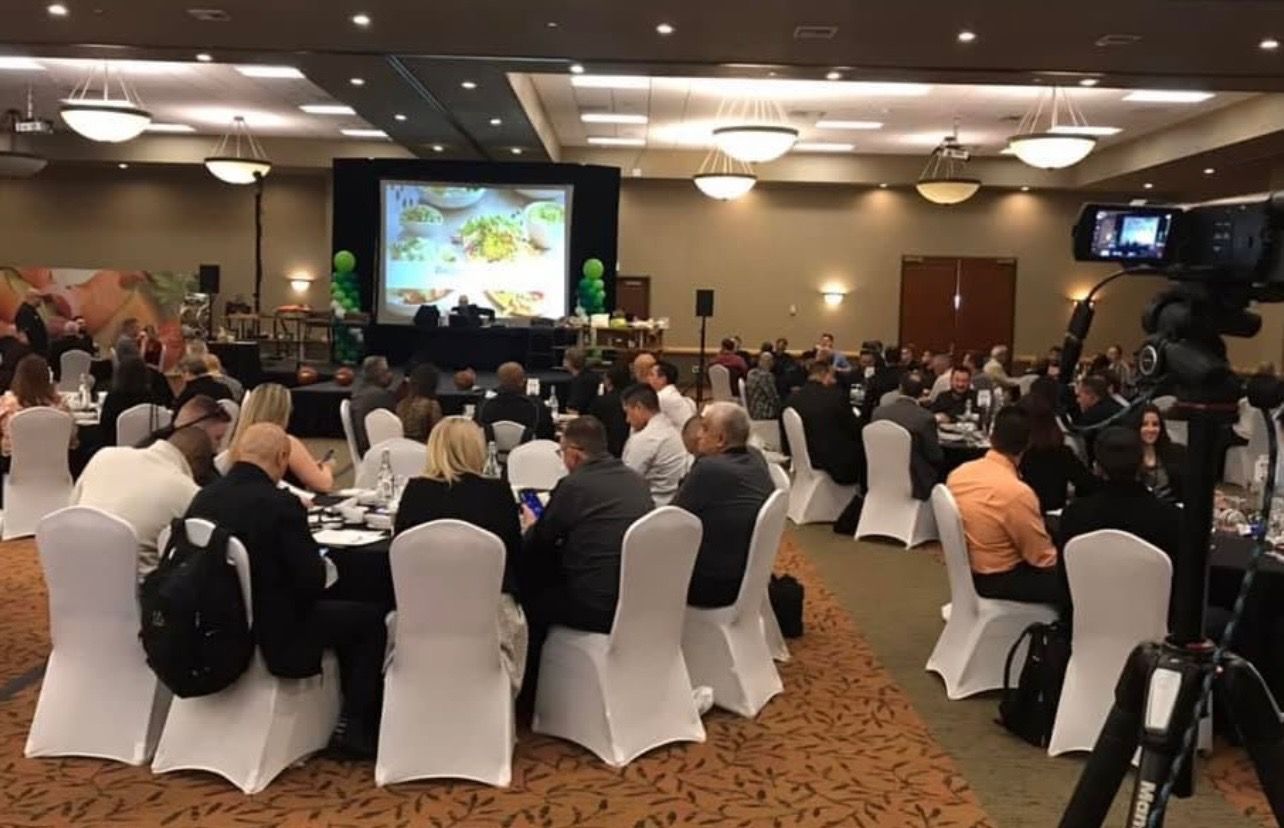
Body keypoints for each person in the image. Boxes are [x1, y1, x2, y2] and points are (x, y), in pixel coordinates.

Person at [185, 423, 387, 756]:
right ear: (282, 457)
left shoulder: (205, 497)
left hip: (210, 622)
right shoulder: (279, 504)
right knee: (369, 619)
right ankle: (354, 725)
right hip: (275, 629)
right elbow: (309, 581)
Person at [518, 416, 653, 708]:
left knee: (525, 594)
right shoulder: (637, 481)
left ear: (575, 455)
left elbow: (538, 545)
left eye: (562, 452)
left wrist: (530, 525)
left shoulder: (574, 486)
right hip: (638, 600)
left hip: (594, 605)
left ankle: (530, 698)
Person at [394, 417, 527, 693]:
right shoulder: (498, 493)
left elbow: (400, 549)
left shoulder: (415, 492)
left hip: (423, 610)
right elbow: (513, 555)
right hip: (489, 612)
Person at [1056, 426, 1183, 621]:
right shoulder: (1171, 519)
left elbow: (1065, 583)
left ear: (1097, 467)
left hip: (1084, 630)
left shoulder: (1074, 516)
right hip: (1156, 635)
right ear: (1142, 463)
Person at [946, 406, 1063, 608]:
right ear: (1028, 445)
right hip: (999, 578)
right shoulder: (1016, 492)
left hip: (968, 569)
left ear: (992, 437)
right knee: (1078, 579)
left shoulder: (959, 474)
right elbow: (1042, 559)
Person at [72, 425, 212, 577]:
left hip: (72, 570)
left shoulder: (104, 455)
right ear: (198, 464)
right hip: (136, 590)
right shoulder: (189, 492)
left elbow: (70, 511)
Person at [675, 402, 774, 607]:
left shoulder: (710, 470)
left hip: (717, 583)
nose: (698, 435)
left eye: (704, 428)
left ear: (720, 439)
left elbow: (672, 517)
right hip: (752, 574)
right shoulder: (756, 457)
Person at [228, 382, 334, 492]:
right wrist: (327, 467)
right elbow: (323, 484)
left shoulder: (237, 442)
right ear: (284, 411)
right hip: (284, 504)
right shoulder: (285, 443)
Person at [784, 356, 864, 486]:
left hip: (803, 460)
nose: (833, 381)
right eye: (832, 377)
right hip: (835, 465)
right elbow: (855, 429)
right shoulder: (836, 397)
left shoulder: (791, 399)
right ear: (824, 374)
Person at [1017, 392, 1097, 512]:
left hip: (1020, 514)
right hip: (1054, 517)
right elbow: (1088, 485)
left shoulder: (1016, 455)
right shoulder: (1063, 453)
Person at [871, 373, 943, 500]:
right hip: (915, 481)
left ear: (900, 388)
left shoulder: (878, 413)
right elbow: (935, 456)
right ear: (922, 393)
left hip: (879, 476)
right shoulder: (925, 418)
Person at [621, 384, 688, 506]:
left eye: (627, 412)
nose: (627, 420)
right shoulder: (670, 429)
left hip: (652, 507)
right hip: (673, 502)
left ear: (638, 407)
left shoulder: (647, 438)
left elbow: (626, 483)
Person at [0, 354, 76, 457]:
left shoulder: (7, 405)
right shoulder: (61, 408)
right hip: (56, 467)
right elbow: (72, 439)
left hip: (13, 466)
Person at [101, 355, 172, 446]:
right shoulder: (153, 398)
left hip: (117, 449)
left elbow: (104, 429)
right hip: (149, 448)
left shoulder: (113, 399)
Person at [476, 361, 554, 442]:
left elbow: (476, 428)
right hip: (527, 451)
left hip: (490, 451)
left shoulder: (485, 403)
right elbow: (547, 432)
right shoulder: (536, 404)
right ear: (522, 381)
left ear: (499, 380)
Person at [349, 355, 397, 456]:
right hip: (378, 452)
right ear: (379, 374)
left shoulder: (358, 392)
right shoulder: (381, 396)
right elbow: (396, 426)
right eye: (387, 371)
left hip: (364, 448)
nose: (390, 375)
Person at [1139, 403, 1186, 506]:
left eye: (1155, 424)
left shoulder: (1177, 452)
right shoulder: (1128, 455)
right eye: (1144, 424)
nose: (1151, 429)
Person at [1074, 374, 1124, 462]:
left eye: (1079, 396)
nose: (1078, 401)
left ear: (1091, 395)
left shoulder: (1089, 418)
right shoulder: (1120, 408)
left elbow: (1084, 453)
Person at [589, 362, 632, 457]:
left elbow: (591, 426)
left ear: (608, 381)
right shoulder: (634, 398)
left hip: (606, 450)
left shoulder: (601, 402)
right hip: (630, 445)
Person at [396, 362, 443, 443]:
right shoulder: (431, 406)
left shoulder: (401, 404)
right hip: (423, 448)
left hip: (402, 446)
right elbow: (437, 434)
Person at [648, 360, 693, 430]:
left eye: (651, 375)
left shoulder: (662, 397)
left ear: (662, 379)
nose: (648, 378)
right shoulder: (670, 393)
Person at [744, 351, 781, 420]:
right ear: (771, 362)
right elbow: (773, 398)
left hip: (752, 409)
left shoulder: (751, 373)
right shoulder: (766, 376)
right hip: (763, 413)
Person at [562, 347, 600, 414]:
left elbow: (573, 409)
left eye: (565, 358)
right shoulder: (593, 376)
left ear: (570, 362)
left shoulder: (579, 381)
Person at [14, 289, 48, 356]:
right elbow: (24, 332)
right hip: (35, 350)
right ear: (32, 297)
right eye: (39, 297)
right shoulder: (24, 312)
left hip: (41, 348)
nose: (41, 301)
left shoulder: (32, 310)